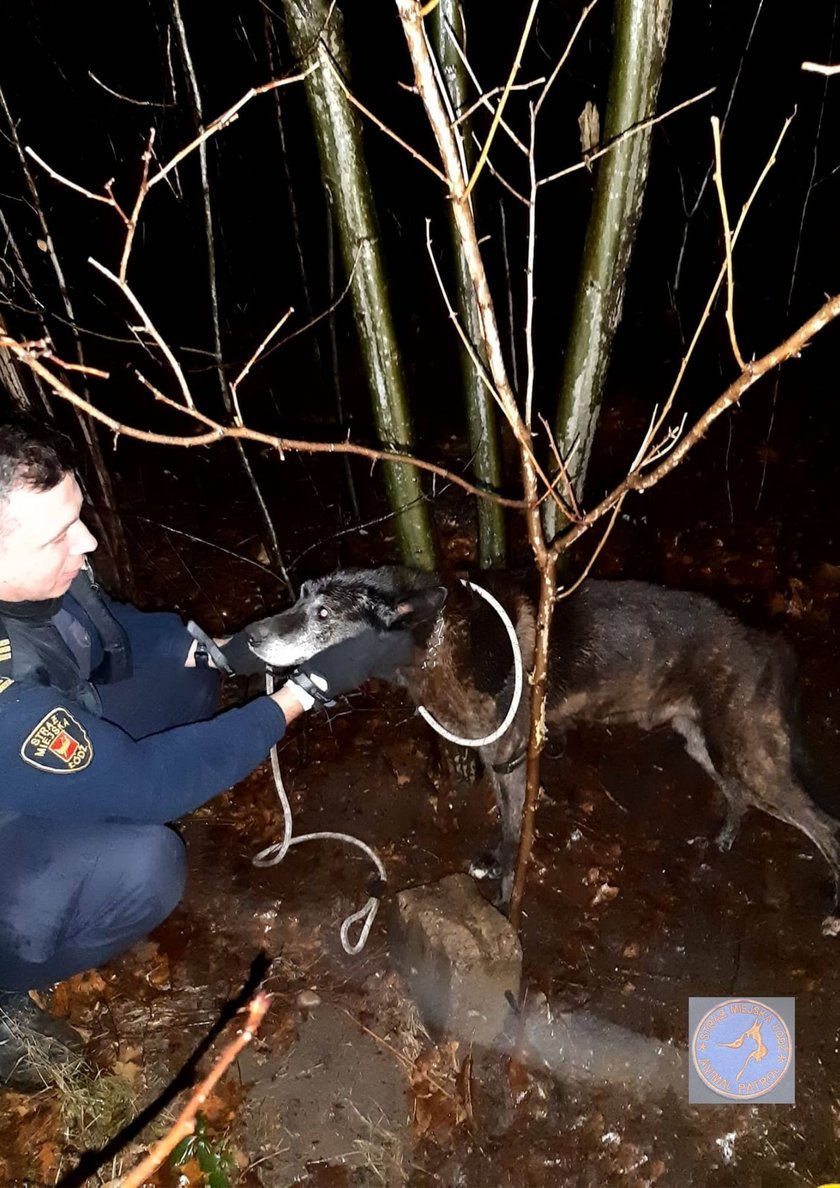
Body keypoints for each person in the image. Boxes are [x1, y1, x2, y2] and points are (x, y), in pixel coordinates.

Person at [0, 418, 409, 1090]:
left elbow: (107, 624)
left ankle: (82, 820)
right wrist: (305, 691)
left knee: (192, 672)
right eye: (58, 535)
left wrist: (223, 649)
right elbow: (146, 784)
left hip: (32, 761)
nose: (88, 540)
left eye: (78, 518)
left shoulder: (34, 574)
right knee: (148, 865)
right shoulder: (6, 699)